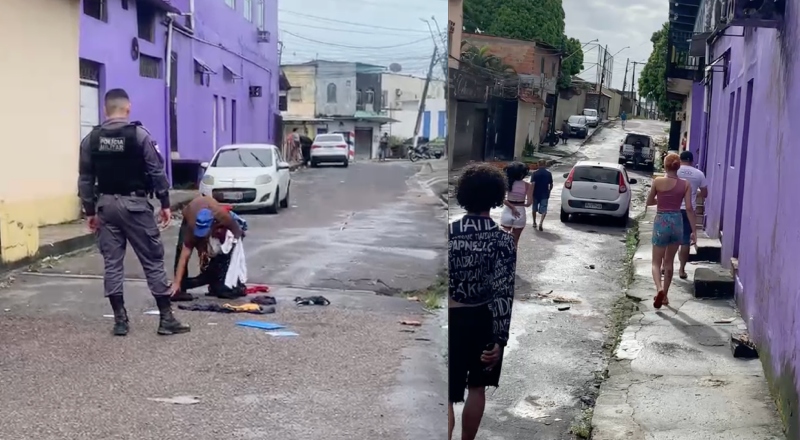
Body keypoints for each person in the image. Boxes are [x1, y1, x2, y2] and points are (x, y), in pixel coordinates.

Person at [77, 88, 189, 337]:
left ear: (106, 110)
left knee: (113, 263)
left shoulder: (91, 139)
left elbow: (85, 178)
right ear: (128, 109)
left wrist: (90, 211)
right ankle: (166, 319)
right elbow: (157, 171)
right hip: (136, 206)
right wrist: (166, 203)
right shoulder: (139, 136)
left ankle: (120, 321)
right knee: (152, 259)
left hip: (106, 206)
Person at [448, 163, 517, 440]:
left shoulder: (448, 234)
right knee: (476, 388)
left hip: (451, 320)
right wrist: (500, 339)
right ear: (497, 197)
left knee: (447, 393)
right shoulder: (504, 241)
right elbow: (504, 293)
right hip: (484, 322)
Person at [646, 153, 697, 309]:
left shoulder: (658, 181)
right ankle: (665, 296)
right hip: (677, 222)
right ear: (678, 166)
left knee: (656, 262)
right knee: (669, 261)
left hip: (661, 221)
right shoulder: (685, 184)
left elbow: (649, 202)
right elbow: (688, 208)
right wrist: (694, 230)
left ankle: (659, 289)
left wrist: (660, 199)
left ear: (665, 165)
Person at [171, 196, 244, 301]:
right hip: (190, 212)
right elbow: (184, 255)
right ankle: (179, 288)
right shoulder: (192, 226)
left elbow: (237, 231)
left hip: (212, 214)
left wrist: (234, 249)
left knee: (221, 251)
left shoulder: (223, 217)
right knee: (181, 247)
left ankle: (216, 282)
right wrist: (176, 283)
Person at [675, 151, 707, 279]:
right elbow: (705, 193)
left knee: (669, 239)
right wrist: (694, 193)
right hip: (688, 211)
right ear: (692, 161)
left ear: (680, 159)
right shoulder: (699, 174)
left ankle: (664, 267)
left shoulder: (674, 170)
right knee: (685, 241)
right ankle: (682, 270)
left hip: (673, 209)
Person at [499, 162, 532, 248]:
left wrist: (512, 206)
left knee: (504, 240)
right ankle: (513, 260)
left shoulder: (507, 183)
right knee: (515, 242)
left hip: (507, 210)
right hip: (520, 212)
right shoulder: (528, 185)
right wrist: (520, 205)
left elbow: (502, 199)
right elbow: (529, 203)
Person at [530, 159, 553, 231]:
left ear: (538, 164)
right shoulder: (548, 174)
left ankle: (534, 222)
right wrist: (549, 191)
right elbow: (551, 184)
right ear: (545, 164)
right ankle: (541, 223)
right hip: (544, 193)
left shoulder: (534, 173)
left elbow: (532, 184)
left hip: (535, 193)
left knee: (534, 208)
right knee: (544, 209)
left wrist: (531, 193)